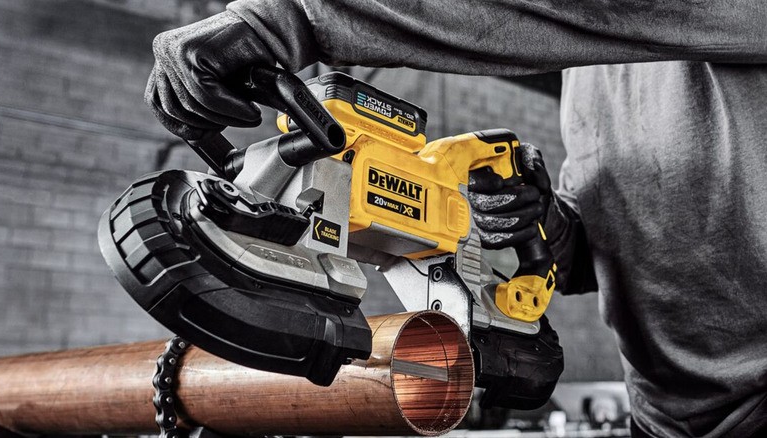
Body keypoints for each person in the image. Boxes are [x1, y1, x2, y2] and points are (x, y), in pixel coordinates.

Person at [144, 1, 767, 436]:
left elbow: (571, 9)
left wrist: (288, 19)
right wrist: (544, 225)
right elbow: (614, 245)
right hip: (666, 416)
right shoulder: (589, 68)